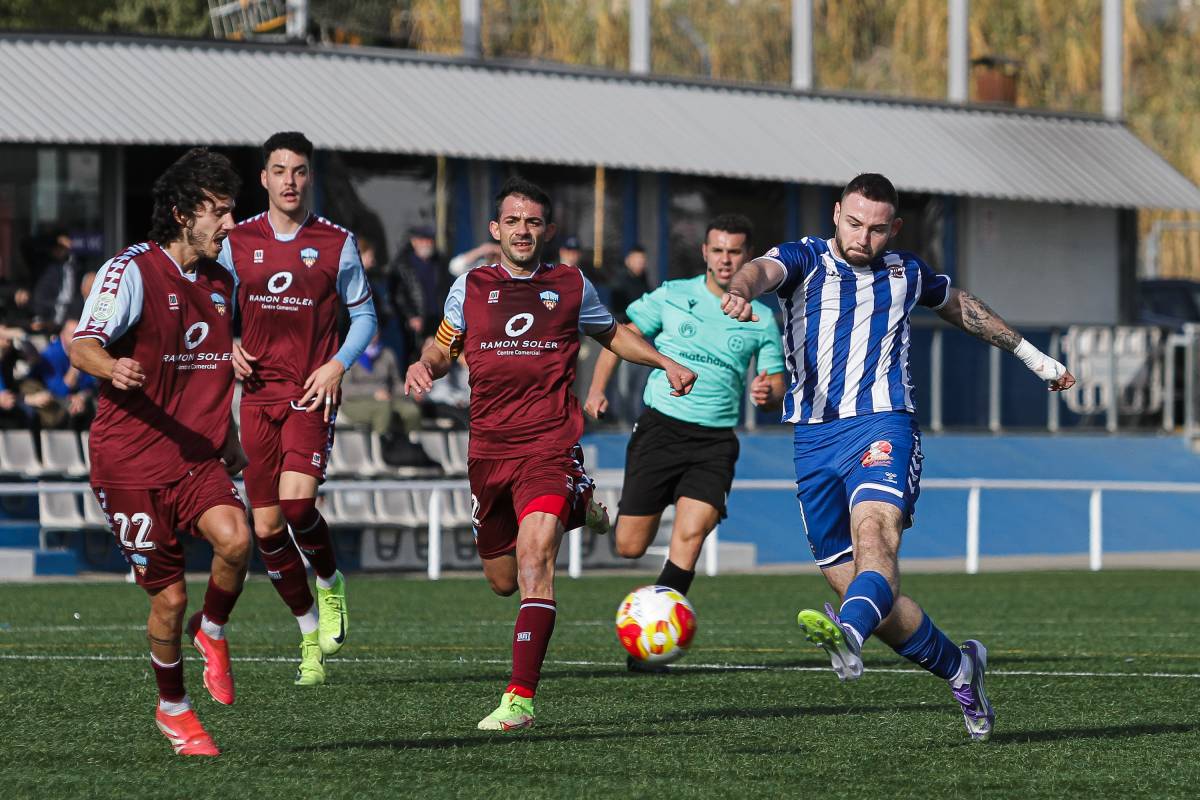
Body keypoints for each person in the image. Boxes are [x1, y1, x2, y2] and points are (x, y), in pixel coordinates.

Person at [720, 173, 1076, 742]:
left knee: (876, 538)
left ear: (896, 229)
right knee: (860, 587)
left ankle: (848, 636)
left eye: (877, 229)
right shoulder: (805, 259)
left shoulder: (906, 272)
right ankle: (960, 668)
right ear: (836, 214)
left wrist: (1033, 357)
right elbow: (761, 271)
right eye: (854, 223)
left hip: (883, 424)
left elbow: (960, 305)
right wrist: (741, 289)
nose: (863, 237)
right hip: (812, 441)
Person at [405, 177, 697, 731]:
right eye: (513, 221)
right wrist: (426, 364)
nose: (523, 231)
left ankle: (519, 700)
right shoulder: (470, 286)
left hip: (548, 444)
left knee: (535, 561)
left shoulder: (570, 284)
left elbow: (613, 334)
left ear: (548, 230)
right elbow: (442, 347)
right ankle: (580, 501)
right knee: (502, 580)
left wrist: (665, 363)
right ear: (495, 229)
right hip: (488, 450)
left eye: (533, 222)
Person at [69, 148, 251, 757]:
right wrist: (111, 367)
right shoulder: (131, 271)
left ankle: (213, 630)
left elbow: (211, 366)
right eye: (218, 212)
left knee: (237, 540)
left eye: (231, 211)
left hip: (194, 456)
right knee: (169, 598)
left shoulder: (222, 283)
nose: (229, 224)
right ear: (181, 213)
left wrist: (228, 434)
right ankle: (173, 708)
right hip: (129, 463)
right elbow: (82, 344)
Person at [584, 214, 786, 672]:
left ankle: (654, 645)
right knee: (629, 546)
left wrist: (767, 393)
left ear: (747, 257)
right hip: (660, 430)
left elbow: (775, 383)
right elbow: (620, 335)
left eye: (735, 251)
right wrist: (595, 390)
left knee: (690, 536)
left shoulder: (761, 319)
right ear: (705, 253)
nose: (726, 259)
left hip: (714, 442)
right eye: (718, 250)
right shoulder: (673, 295)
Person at [218, 131, 377, 687]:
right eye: (280, 170)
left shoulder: (336, 242)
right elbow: (211, 304)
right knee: (265, 528)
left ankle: (329, 581)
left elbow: (365, 318)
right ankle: (308, 632)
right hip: (256, 398)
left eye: (300, 170)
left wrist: (337, 365)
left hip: (310, 393)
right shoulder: (237, 241)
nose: (290, 180)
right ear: (264, 178)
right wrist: (227, 343)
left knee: (296, 504)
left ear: (310, 177)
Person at [604, 244, 654, 422]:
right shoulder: (620, 283)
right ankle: (621, 420)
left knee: (638, 385)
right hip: (625, 338)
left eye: (643, 260)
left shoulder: (645, 282)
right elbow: (616, 313)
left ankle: (634, 419)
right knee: (623, 385)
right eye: (637, 259)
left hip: (643, 339)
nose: (640, 263)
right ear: (628, 260)